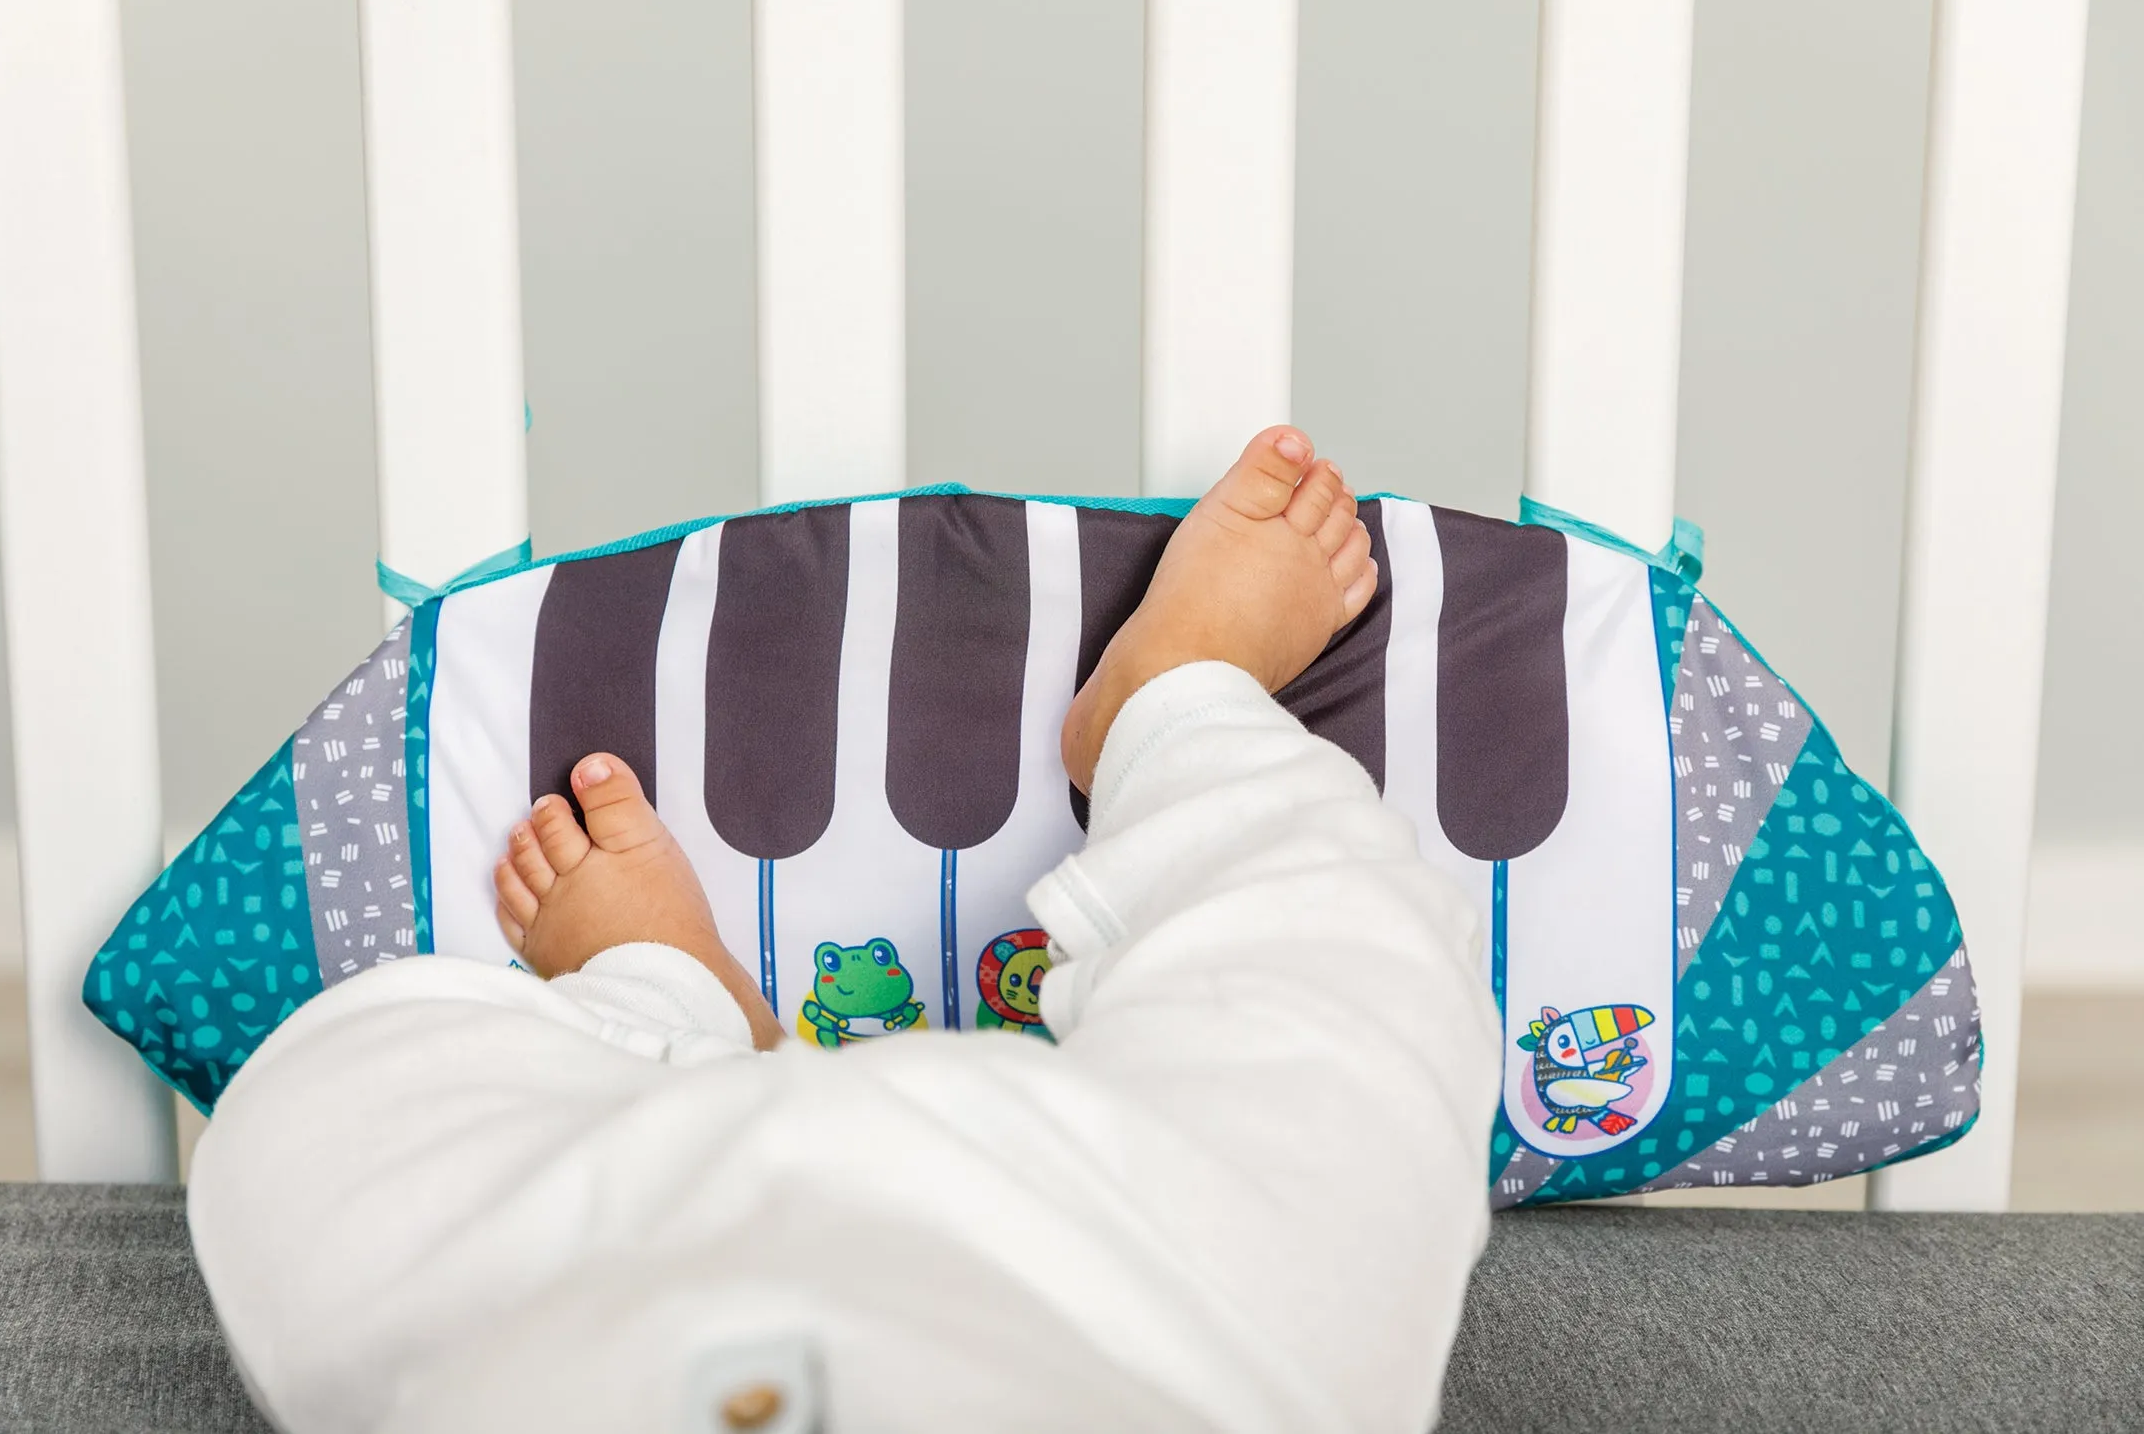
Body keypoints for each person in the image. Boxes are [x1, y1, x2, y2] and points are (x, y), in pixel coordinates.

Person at [187, 427, 1501, 1433]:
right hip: (1163, 1328)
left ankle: (664, 1008)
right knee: (1356, 971)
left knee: (302, 1132)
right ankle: (1174, 710)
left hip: (563, 1305)